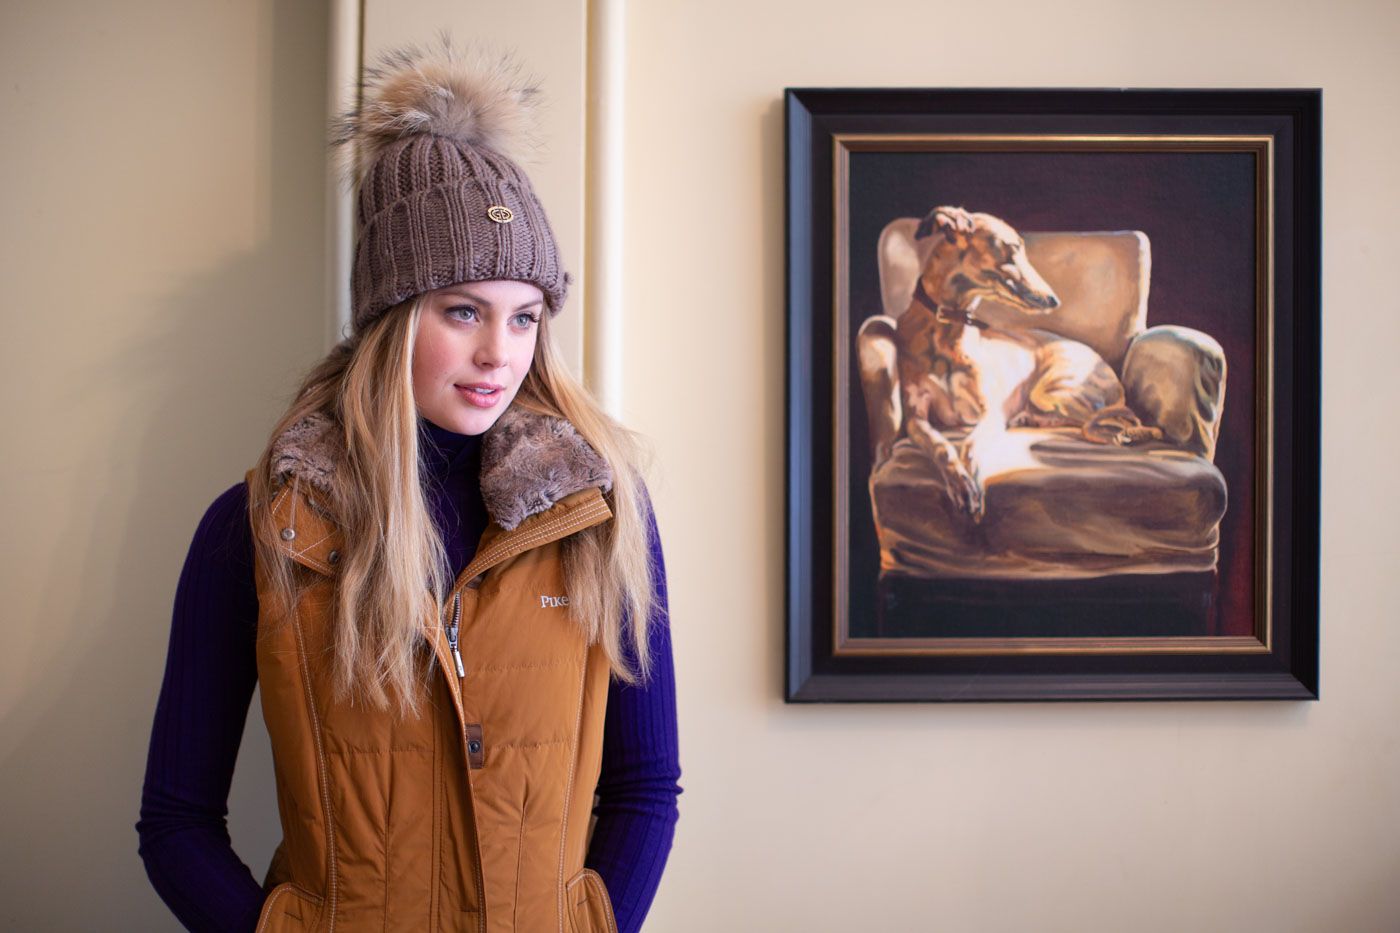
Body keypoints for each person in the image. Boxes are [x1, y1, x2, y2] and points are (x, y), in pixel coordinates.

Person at [135, 40, 681, 933]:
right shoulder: (260, 531)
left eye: (525, 316)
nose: (500, 353)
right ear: (391, 316)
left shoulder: (602, 515)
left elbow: (643, 787)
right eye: (462, 310)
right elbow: (177, 824)